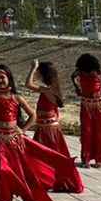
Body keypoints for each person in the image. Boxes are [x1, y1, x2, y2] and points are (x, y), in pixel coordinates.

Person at [0, 64, 77, 201]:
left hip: (14, 140)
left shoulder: (16, 97)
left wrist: (23, 130)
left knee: (14, 171)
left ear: (9, 79)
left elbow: (32, 116)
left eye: (2, 78)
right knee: (1, 170)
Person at [25, 60, 84, 193]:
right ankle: (44, 179)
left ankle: (50, 180)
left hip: (48, 129)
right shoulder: (50, 88)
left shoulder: (47, 90)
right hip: (44, 127)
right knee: (43, 156)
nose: (37, 75)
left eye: (39, 73)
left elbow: (27, 84)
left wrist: (33, 68)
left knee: (47, 156)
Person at [71, 53, 101, 168]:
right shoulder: (80, 72)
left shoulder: (97, 71)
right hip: (86, 104)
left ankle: (99, 159)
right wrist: (76, 87)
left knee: (100, 132)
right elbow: (72, 76)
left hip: (98, 104)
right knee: (87, 131)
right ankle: (85, 159)